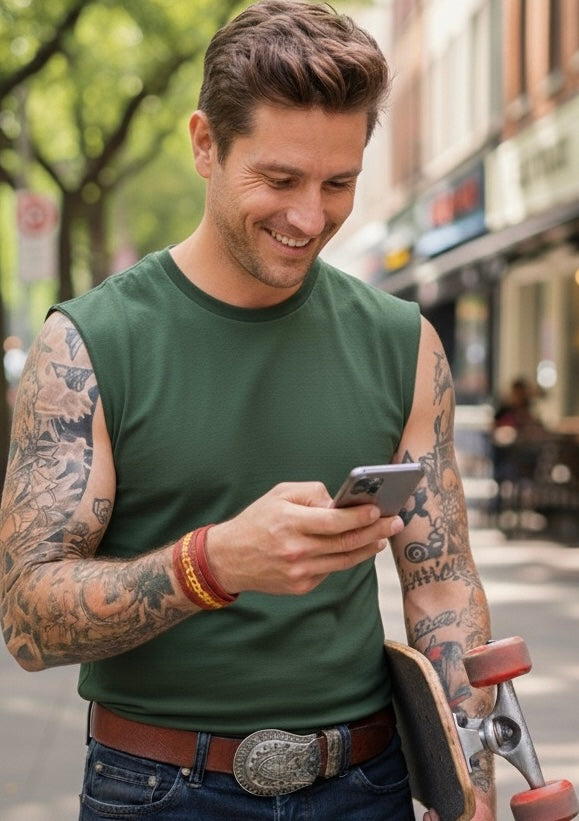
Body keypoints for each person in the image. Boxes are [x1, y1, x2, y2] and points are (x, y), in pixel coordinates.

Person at [0, 2, 496, 818]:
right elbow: (27, 620)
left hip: (366, 784)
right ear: (205, 144)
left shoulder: (404, 343)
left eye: (338, 183)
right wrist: (213, 563)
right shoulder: (87, 344)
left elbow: (440, 586)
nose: (309, 217)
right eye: (278, 179)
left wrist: (464, 771)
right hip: (157, 789)